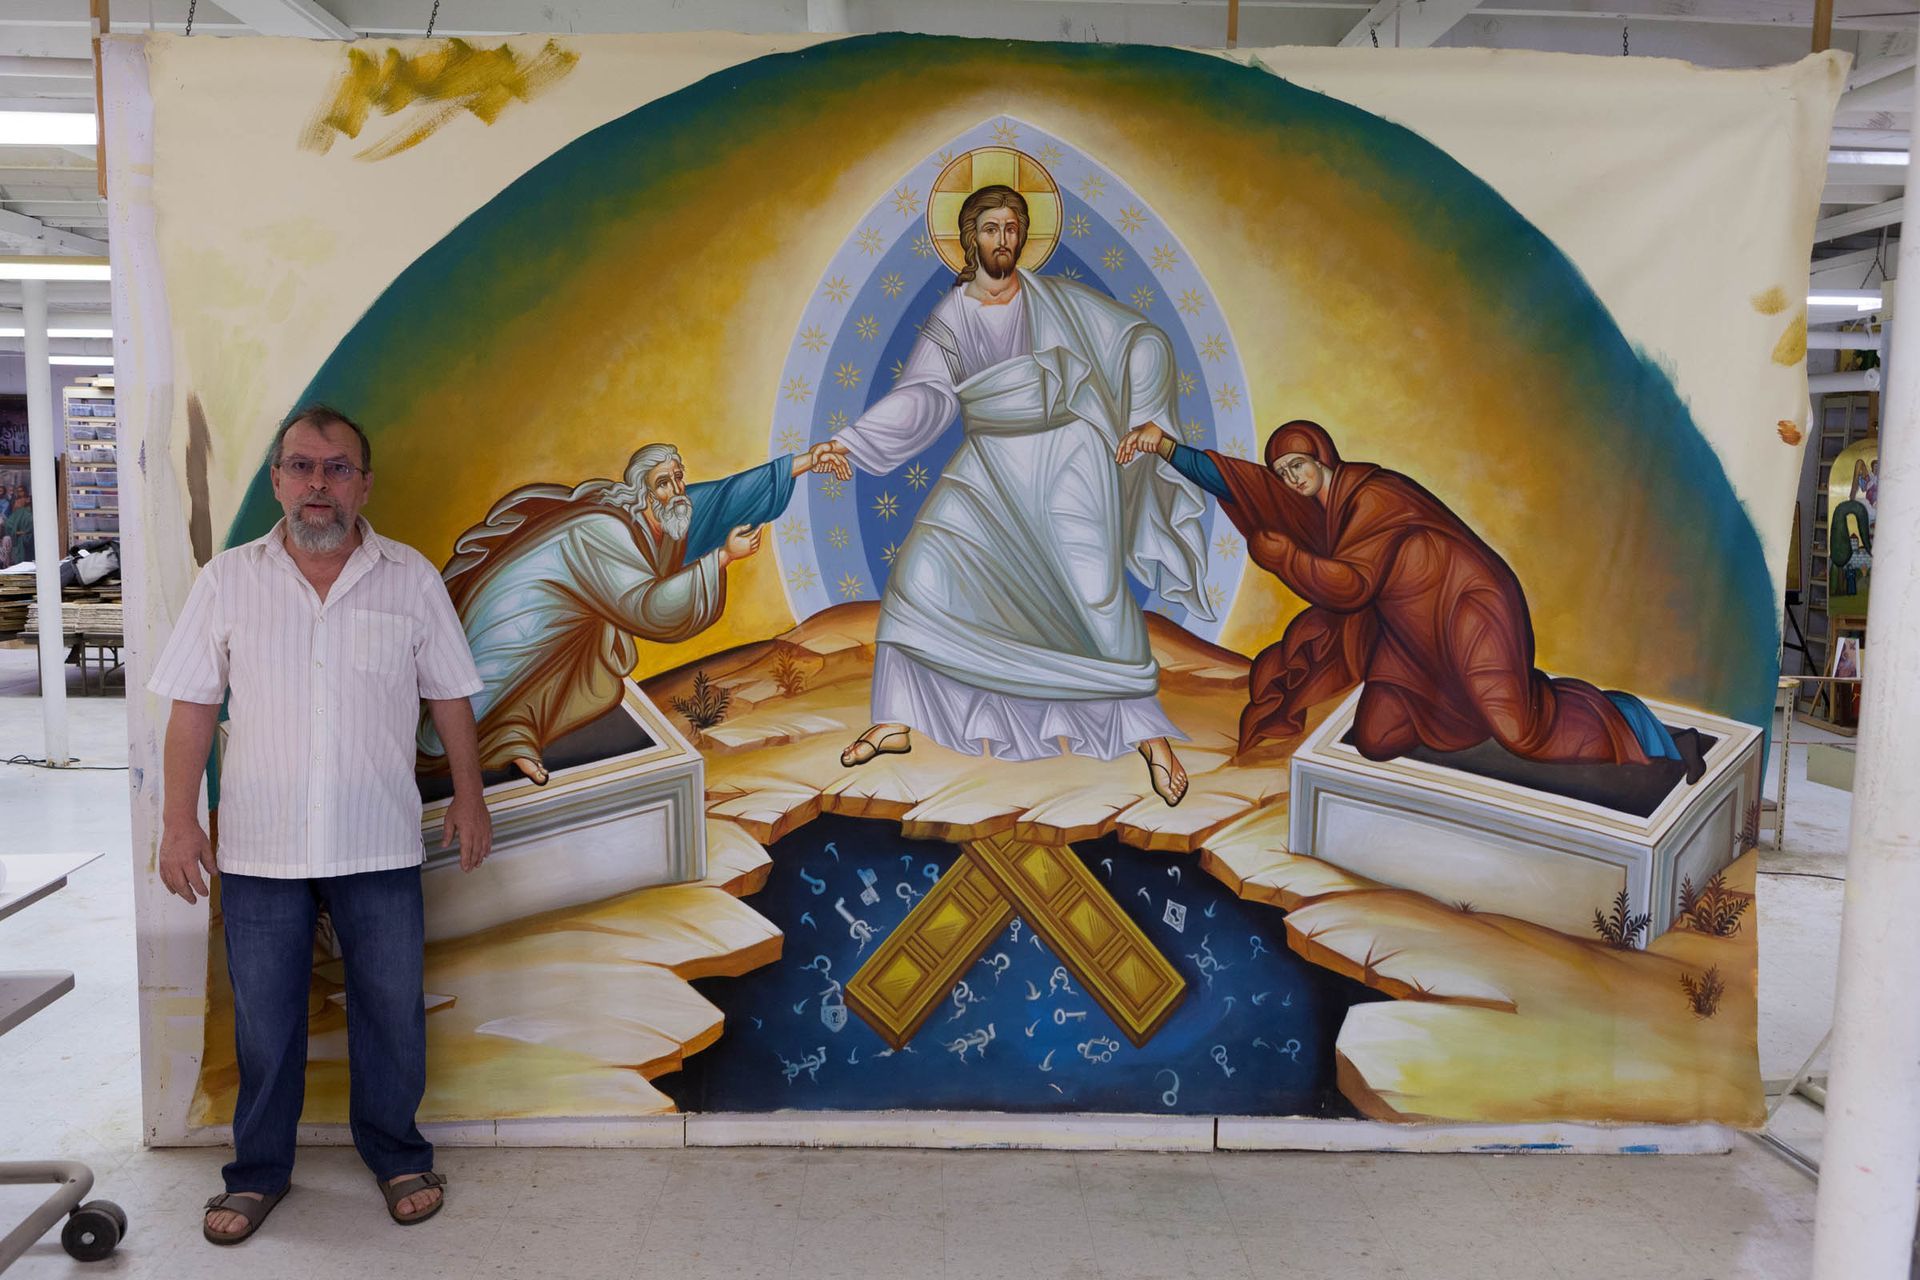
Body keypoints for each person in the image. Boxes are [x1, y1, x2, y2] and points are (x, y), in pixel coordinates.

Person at [149, 405, 493, 1245]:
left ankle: (399, 1154)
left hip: (376, 839)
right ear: (276, 479)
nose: (318, 483)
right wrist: (177, 823)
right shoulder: (227, 580)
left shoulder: (409, 578)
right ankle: (258, 1173)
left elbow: (450, 696)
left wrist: (473, 797)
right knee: (266, 1020)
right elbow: (193, 706)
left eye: (337, 468)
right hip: (261, 846)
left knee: (389, 1011)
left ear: (363, 484)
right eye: (301, 466)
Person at [831, 184, 1212, 805]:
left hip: (1068, 456)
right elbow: (926, 395)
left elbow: (1142, 341)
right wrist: (854, 442)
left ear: (1023, 235)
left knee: (1096, 596)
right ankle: (898, 718)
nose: (1003, 241)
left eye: (1012, 228)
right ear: (969, 238)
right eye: (990, 229)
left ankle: (1148, 737)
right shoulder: (952, 314)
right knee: (922, 574)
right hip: (990, 459)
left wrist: (1148, 417)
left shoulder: (1056, 301)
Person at [1116, 418, 1706, 782]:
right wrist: (1166, 447)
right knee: (1378, 738)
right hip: (1410, 634)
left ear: (1324, 458)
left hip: (1470, 611)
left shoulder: (1373, 498)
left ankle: (1647, 732)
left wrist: (1285, 559)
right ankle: (1476, 704)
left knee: (1521, 729)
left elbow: (1353, 586)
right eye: (1283, 470)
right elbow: (1239, 482)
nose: (1290, 478)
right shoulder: (1314, 506)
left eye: (1299, 465)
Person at [417, 441, 851, 784]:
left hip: (562, 624)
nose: (677, 491)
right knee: (457, 724)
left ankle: (515, 741)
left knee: (550, 680)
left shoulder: (665, 518)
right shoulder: (609, 531)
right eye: (664, 483)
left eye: (678, 478)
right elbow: (646, 608)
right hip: (518, 613)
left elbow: (725, 496)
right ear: (641, 491)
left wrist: (807, 460)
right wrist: (720, 559)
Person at [2, 491, 33, 567]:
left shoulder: (30, 513)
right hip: (20, 541)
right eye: (18, 499)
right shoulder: (19, 512)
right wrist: (17, 532)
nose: (18, 501)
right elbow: (8, 524)